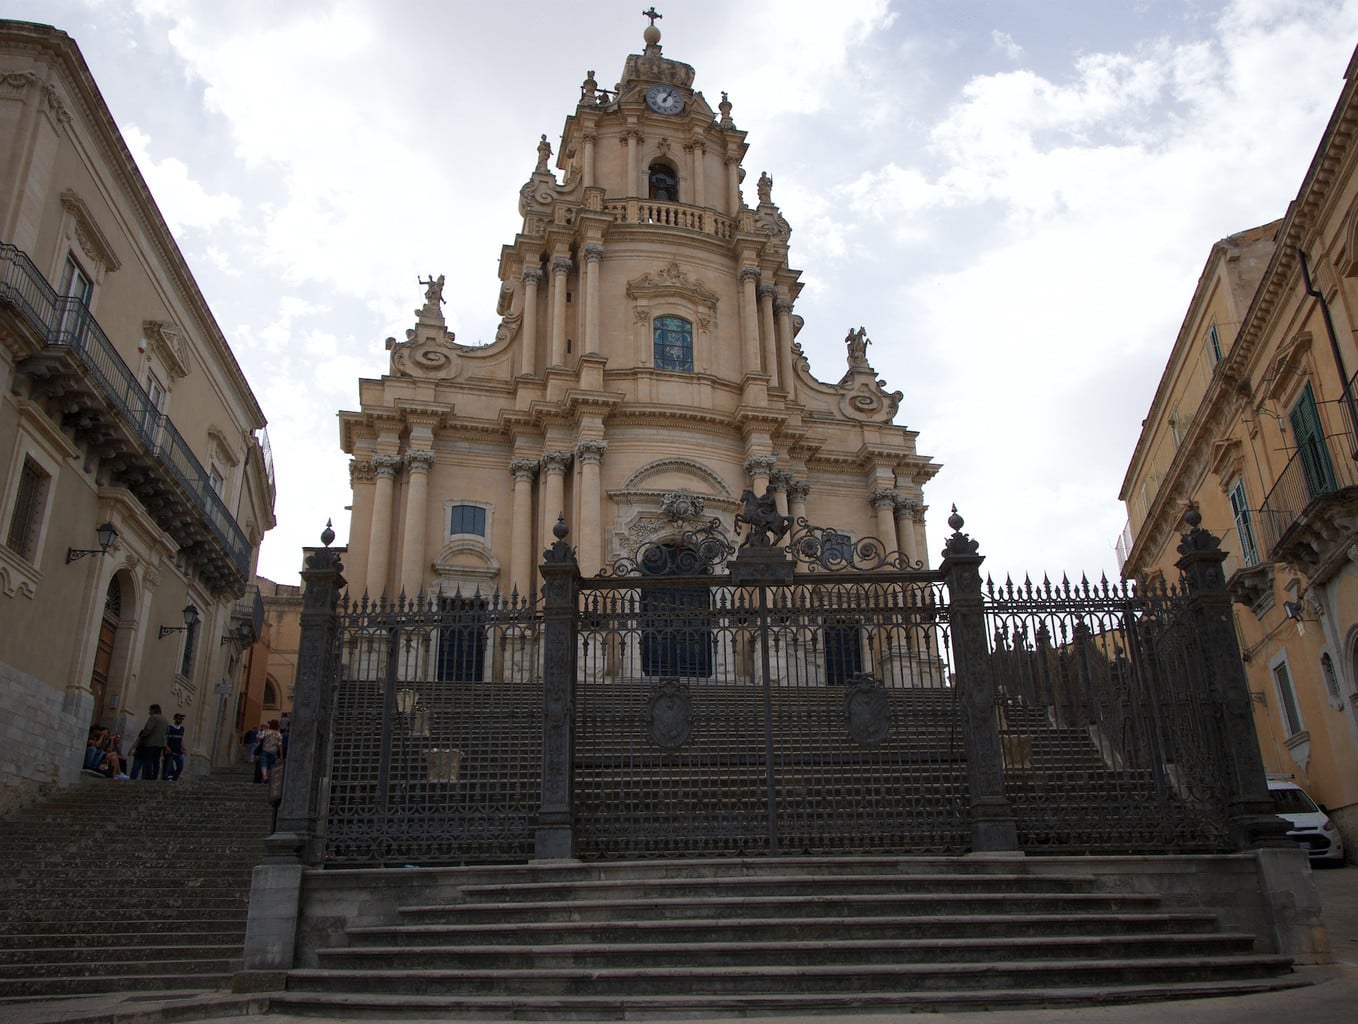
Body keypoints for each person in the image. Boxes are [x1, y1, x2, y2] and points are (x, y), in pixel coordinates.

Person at [133, 704, 170, 781]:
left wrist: (143, 736)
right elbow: (167, 731)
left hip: (151, 742)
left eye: (150, 710)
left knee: (148, 759)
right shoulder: (165, 720)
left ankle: (148, 776)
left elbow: (148, 729)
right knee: (156, 760)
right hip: (160, 744)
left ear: (153, 710)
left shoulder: (153, 718)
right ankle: (155, 776)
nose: (149, 712)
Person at [163, 712, 190, 781]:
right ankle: (167, 779)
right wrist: (166, 747)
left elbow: (181, 739)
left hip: (178, 751)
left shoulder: (182, 729)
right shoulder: (169, 727)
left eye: (181, 719)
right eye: (179, 718)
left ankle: (174, 779)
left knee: (180, 767)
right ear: (175, 718)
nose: (180, 720)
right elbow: (164, 738)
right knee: (167, 767)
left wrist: (183, 748)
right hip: (170, 751)